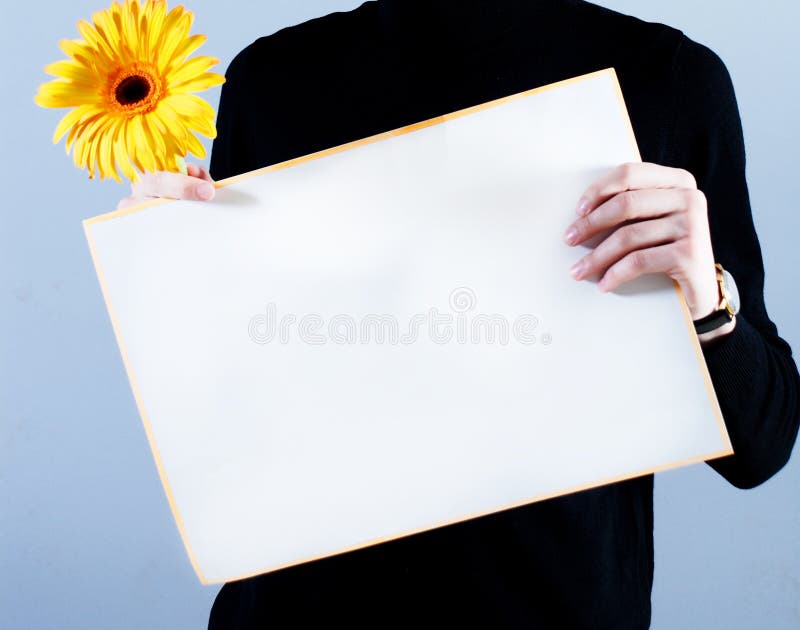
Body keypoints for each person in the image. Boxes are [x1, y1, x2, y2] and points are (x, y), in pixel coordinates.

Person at [118, 1, 800, 627]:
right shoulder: (272, 81)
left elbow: (759, 451)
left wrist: (706, 298)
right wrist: (164, 284)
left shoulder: (667, 79)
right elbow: (232, 413)